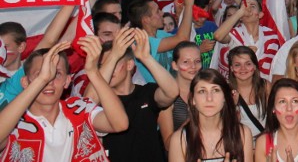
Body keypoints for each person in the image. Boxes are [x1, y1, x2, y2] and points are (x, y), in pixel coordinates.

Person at [0, 38, 129, 162]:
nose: (49, 81)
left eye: (57, 74)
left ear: (67, 81)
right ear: (25, 82)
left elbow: (120, 124)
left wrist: (94, 72)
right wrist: (42, 79)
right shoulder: (13, 120)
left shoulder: (79, 108)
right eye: (40, 74)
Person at [95, 28, 179, 162]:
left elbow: (172, 92)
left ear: (129, 65)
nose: (108, 68)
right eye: (102, 65)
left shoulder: (146, 92)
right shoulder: (99, 103)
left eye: (113, 63)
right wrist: (114, 56)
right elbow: (88, 98)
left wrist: (146, 58)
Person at [168, 69, 253, 162]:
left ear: (225, 97)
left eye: (215, 90)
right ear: (193, 99)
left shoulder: (242, 134)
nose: (209, 98)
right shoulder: (179, 140)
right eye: (202, 91)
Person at [254, 78, 298, 162]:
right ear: (273, 108)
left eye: (295, 101)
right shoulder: (263, 142)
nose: (289, 108)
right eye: (282, 101)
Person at [212, 0, 281, 80]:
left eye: (252, 6)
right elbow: (218, 36)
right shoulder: (235, 34)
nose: (248, 10)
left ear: (260, 14)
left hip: (264, 87)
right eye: (244, 7)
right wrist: (240, 12)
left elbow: (277, 67)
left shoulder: (272, 36)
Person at [158, 42, 203, 150]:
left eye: (197, 61)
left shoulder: (206, 91)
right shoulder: (167, 97)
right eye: (186, 62)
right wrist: (194, 116)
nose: (193, 66)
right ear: (174, 65)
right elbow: (169, 145)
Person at [227, 46, 270, 141]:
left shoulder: (265, 86)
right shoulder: (225, 90)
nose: (243, 68)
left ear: (255, 66)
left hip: (263, 143)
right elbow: (224, 125)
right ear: (231, 68)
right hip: (238, 144)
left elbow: (274, 119)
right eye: (237, 65)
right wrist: (232, 106)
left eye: (248, 64)